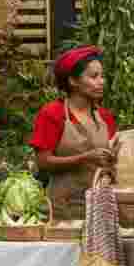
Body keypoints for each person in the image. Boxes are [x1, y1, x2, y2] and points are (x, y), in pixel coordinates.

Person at [30, 45, 117, 221]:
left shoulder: (104, 116)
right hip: (64, 208)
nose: (101, 82)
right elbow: (43, 162)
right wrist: (85, 158)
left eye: (102, 76)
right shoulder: (53, 114)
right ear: (73, 81)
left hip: (99, 208)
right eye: (93, 76)